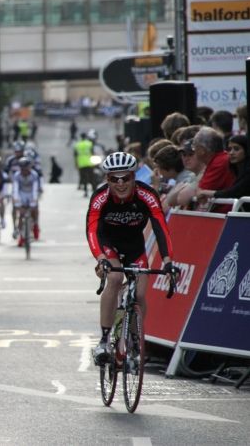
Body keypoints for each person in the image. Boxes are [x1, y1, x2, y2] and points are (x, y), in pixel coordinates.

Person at [86, 152, 174, 365]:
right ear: (107, 179)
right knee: (115, 280)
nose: (120, 183)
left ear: (134, 177)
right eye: (114, 179)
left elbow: (160, 227)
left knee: (141, 295)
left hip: (134, 246)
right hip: (109, 244)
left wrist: (168, 260)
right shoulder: (100, 197)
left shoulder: (147, 195)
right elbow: (92, 229)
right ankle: (105, 341)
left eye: (125, 178)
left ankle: (134, 342)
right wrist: (100, 258)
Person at [192, 127, 236, 212]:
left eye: (194, 146)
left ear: (202, 150)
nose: (193, 150)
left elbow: (200, 192)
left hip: (227, 216)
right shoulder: (218, 160)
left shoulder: (219, 162)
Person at [12, 157, 40, 247]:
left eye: (26, 168)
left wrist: (34, 200)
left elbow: (35, 188)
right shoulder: (17, 175)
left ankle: (35, 225)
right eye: (22, 169)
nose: (24, 171)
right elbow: (15, 189)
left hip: (31, 193)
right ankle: (21, 235)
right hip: (21, 194)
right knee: (21, 214)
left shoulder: (34, 175)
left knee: (34, 209)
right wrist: (17, 200)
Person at [74, 132, 95, 197]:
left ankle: (86, 191)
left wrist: (76, 164)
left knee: (84, 178)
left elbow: (75, 155)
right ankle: (94, 190)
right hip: (89, 162)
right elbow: (92, 153)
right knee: (91, 177)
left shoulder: (77, 145)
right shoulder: (89, 144)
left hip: (81, 163)